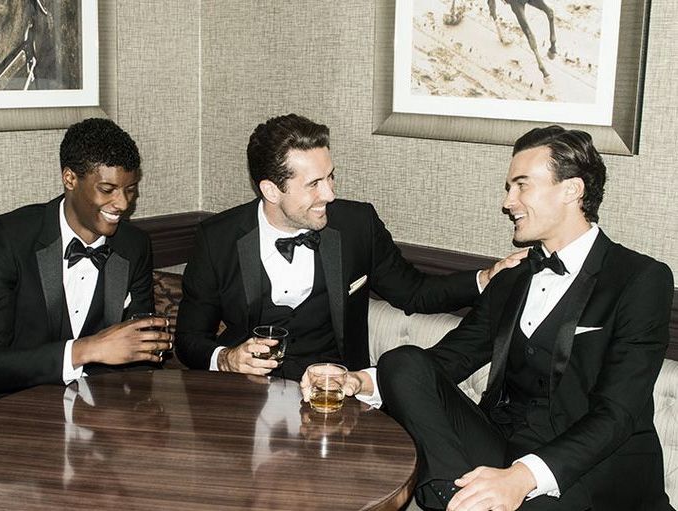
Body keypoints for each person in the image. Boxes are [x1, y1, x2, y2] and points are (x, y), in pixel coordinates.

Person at [332, 125, 674, 510]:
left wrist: (522, 477)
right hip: (505, 445)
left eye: (521, 185)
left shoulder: (640, 279)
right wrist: (360, 380)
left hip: (590, 470)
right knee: (403, 362)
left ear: (571, 190)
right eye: (509, 187)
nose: (508, 201)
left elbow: (617, 414)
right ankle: (451, 494)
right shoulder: (511, 278)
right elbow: (451, 358)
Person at [175, 113, 523, 381]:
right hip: (244, 399)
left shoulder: (357, 225)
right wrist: (226, 358)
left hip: (335, 393)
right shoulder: (217, 239)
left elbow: (414, 292)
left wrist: (484, 278)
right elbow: (189, 339)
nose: (329, 194)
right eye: (314, 184)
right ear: (270, 190)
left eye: (330, 176)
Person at [0, 118, 173, 417]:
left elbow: (139, 361)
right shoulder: (8, 238)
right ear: (70, 178)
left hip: (100, 415)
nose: (123, 203)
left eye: (130, 189)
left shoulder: (134, 245)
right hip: (9, 410)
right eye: (108, 189)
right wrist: (86, 349)